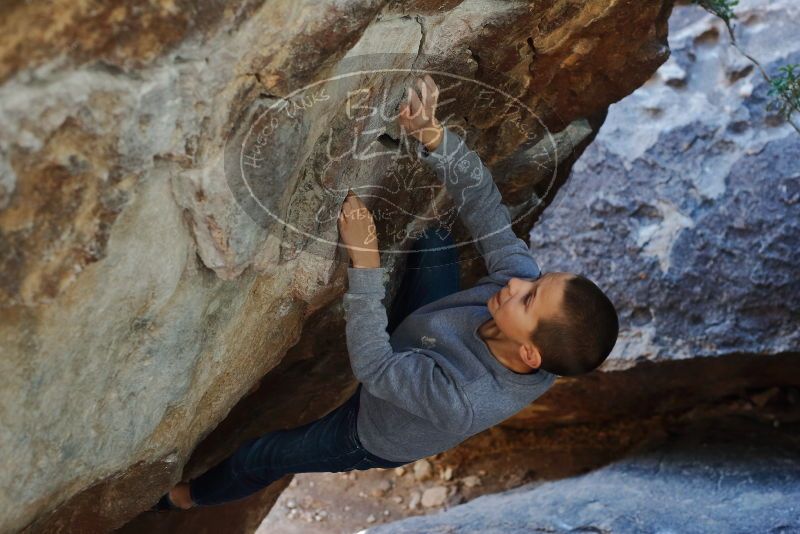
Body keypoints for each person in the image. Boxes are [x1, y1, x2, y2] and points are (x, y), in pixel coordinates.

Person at [154, 74, 618, 510]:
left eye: (528, 298)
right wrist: (431, 134)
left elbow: (375, 366)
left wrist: (365, 260)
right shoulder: (520, 292)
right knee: (435, 243)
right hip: (425, 340)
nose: (518, 281)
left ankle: (184, 499)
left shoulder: (463, 401)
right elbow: (485, 208)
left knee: (262, 456)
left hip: (374, 423)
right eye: (536, 281)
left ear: (530, 355)